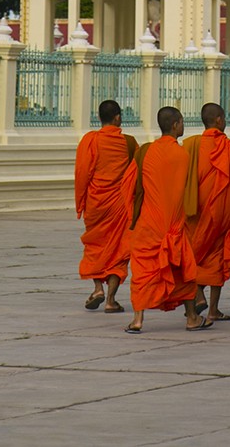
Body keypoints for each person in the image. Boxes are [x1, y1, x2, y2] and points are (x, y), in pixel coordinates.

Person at [125, 106, 204, 333]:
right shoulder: (183, 155)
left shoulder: (146, 152)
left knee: (142, 272)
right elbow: (188, 192)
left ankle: (138, 320)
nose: (183, 126)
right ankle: (191, 318)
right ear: (175, 125)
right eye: (181, 122)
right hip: (174, 225)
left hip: (149, 224)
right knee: (183, 271)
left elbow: (131, 186)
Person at [183, 102, 230, 326]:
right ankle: (213, 310)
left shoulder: (189, 146)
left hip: (193, 212)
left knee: (194, 255)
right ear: (218, 120)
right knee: (216, 259)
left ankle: (198, 295)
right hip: (220, 214)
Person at [74, 99, 137, 314]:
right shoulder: (128, 143)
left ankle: (98, 288)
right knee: (118, 250)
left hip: (96, 203)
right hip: (119, 204)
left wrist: (80, 202)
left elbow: (83, 173)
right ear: (118, 117)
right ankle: (111, 300)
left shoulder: (90, 140)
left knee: (96, 245)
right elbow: (136, 173)